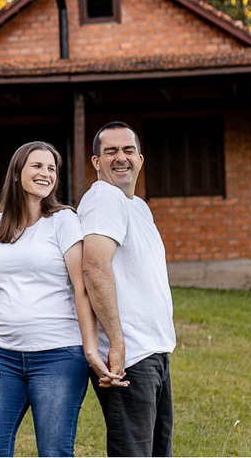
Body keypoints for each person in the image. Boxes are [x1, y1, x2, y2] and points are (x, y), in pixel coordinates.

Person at [0, 141, 122, 457]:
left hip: (58, 358)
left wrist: (90, 349)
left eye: (52, 168)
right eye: (37, 166)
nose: (46, 173)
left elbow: (82, 289)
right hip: (2, 359)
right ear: (16, 173)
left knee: (54, 452)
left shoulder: (63, 221)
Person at [79, 122, 176, 457]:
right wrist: (117, 344)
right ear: (96, 162)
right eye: (111, 151)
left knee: (157, 452)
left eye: (128, 150)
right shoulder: (104, 199)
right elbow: (93, 267)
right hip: (130, 358)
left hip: (153, 352)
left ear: (140, 158)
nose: (121, 158)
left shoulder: (137, 206)